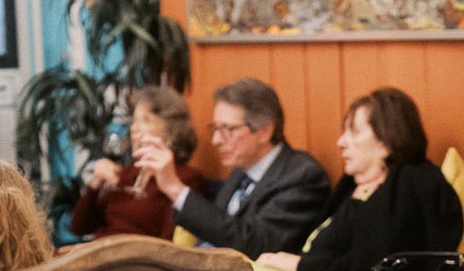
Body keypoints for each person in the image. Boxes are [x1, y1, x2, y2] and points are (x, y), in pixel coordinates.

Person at [253, 86, 463, 271]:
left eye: (354, 132)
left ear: (386, 140)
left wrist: (299, 264)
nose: (340, 142)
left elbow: (371, 269)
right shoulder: (352, 186)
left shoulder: (411, 185)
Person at [133, 76, 329, 258]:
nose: (216, 140)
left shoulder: (303, 176)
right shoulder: (240, 170)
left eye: (229, 130)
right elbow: (214, 235)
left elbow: (257, 245)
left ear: (264, 131)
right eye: (216, 128)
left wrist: (175, 188)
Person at [70, 86, 206, 242]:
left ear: (172, 131)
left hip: (131, 262)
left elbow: (169, 249)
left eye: (145, 121)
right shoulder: (126, 173)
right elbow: (79, 227)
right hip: (96, 252)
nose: (135, 129)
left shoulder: (184, 179)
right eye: (134, 121)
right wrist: (95, 184)